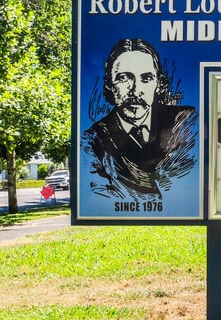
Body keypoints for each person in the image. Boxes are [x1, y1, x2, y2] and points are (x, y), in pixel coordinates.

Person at [81, 38, 197, 199]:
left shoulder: (186, 122)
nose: (135, 90)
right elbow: (99, 195)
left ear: (159, 83)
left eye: (146, 78)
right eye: (124, 78)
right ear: (109, 85)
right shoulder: (92, 141)